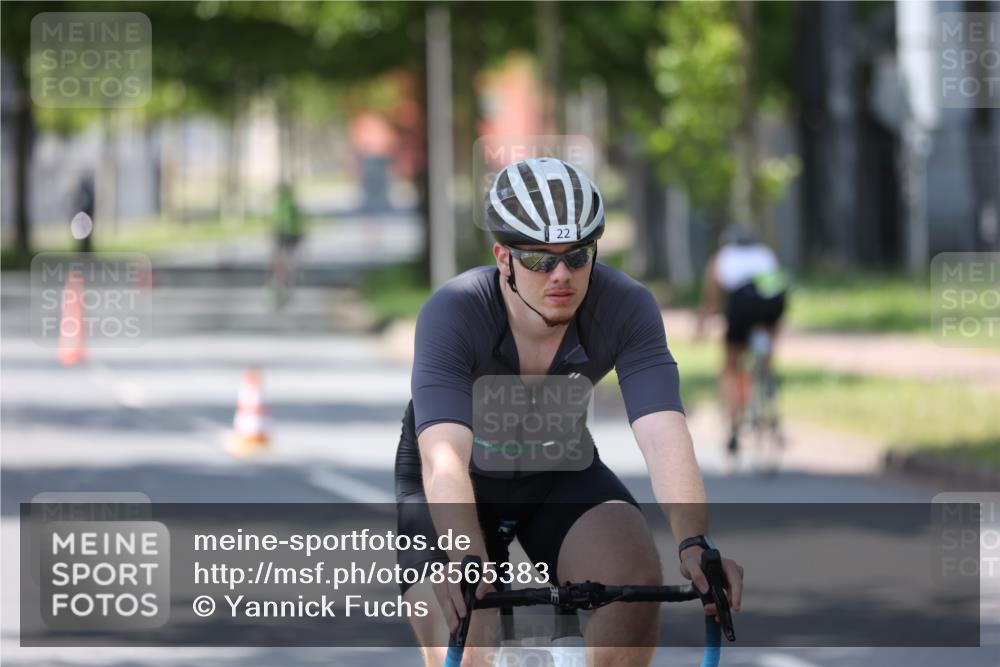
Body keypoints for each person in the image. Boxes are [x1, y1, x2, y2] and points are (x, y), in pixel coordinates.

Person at [395, 157, 743, 666]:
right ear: (502, 257)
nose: (561, 274)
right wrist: (467, 560)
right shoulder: (456, 310)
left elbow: (664, 435)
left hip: (558, 470)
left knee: (634, 585)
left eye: (578, 256)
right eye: (539, 259)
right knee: (470, 631)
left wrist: (695, 542)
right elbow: (443, 459)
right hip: (456, 485)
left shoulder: (625, 306)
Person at [695, 224, 789, 463]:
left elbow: (711, 300)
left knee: (730, 365)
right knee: (767, 339)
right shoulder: (765, 253)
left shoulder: (721, 258)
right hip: (772, 304)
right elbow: (777, 287)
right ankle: (768, 374)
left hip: (742, 302)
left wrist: (702, 327)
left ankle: (735, 425)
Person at [267, 181, 305, 309]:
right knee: (289, 261)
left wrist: (274, 232)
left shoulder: (278, 203)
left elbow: (278, 220)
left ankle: (277, 285)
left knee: (278, 261)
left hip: (281, 235)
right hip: (292, 236)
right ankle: (287, 285)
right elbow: (298, 221)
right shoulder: (293, 203)